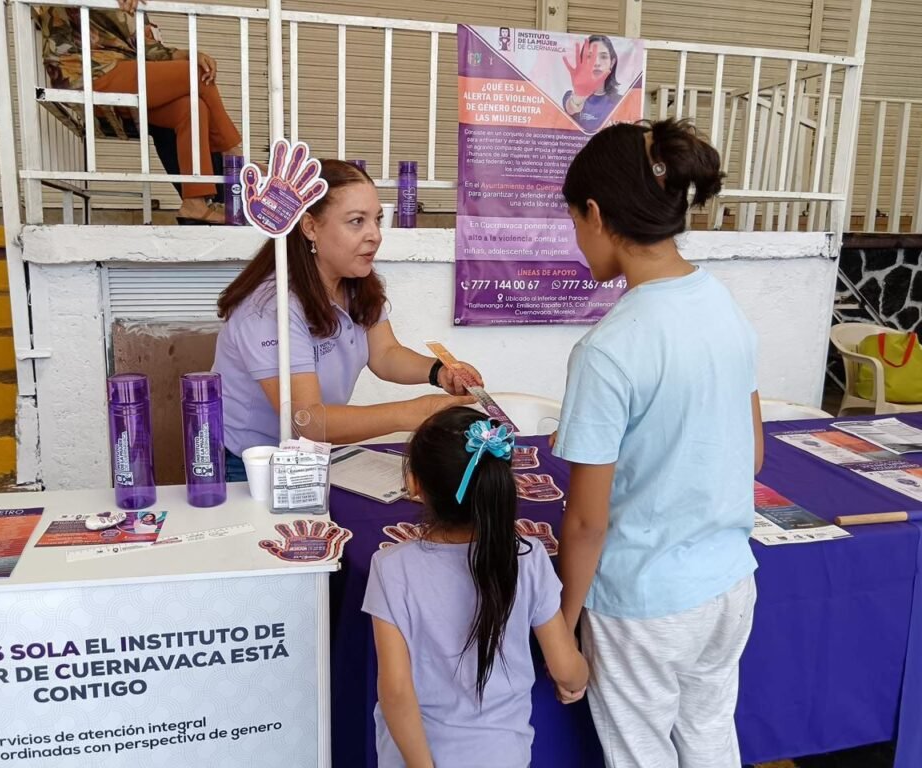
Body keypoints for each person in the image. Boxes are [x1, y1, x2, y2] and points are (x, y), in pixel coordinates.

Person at [552, 119, 763, 768]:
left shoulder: (608, 349)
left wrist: (564, 620)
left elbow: (586, 522)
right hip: (730, 585)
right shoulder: (722, 303)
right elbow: (752, 453)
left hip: (642, 603)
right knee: (710, 737)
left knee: (642, 755)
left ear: (595, 213)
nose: (576, 240)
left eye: (573, 222)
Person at [213, 160, 479, 481]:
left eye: (377, 219)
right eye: (356, 221)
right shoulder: (270, 308)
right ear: (310, 227)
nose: (375, 235)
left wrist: (439, 371)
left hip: (308, 454)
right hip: (249, 463)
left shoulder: (355, 282)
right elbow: (308, 421)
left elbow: (385, 354)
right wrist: (415, 412)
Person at [363, 407, 588, 767]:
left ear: (414, 483)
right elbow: (565, 668)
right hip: (503, 755)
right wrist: (577, 678)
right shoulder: (529, 559)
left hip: (413, 757)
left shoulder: (390, 567)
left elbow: (396, 691)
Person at [35, 0, 241, 223]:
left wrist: (186, 54)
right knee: (197, 75)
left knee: (191, 107)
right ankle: (236, 161)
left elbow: (144, 44)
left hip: (119, 69)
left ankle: (194, 203)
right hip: (85, 70)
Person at [562, 35, 623, 135]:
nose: (597, 63)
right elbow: (571, 108)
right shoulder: (569, 96)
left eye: (603, 56)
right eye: (589, 56)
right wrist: (579, 97)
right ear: (582, 61)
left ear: (612, 63)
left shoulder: (621, 102)